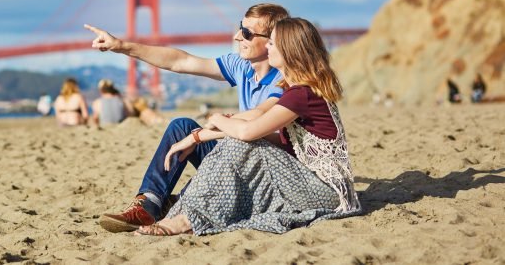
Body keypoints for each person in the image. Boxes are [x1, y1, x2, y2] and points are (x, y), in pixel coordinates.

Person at [136, 17, 362, 236]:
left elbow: (247, 130)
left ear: (289, 50)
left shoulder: (300, 94)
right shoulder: (299, 91)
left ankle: (185, 218)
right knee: (245, 142)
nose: (268, 47)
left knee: (240, 141)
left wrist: (215, 118)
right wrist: (199, 137)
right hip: (313, 185)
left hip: (324, 191)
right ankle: (181, 208)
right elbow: (272, 137)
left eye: (272, 43)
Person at [84, 3, 289, 232]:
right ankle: (149, 204)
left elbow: (256, 123)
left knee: (224, 142)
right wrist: (121, 46)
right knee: (181, 127)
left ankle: (179, 203)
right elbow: (180, 61)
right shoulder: (241, 66)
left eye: (247, 33)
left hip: (265, 172)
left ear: (273, 40)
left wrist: (201, 135)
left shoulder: (283, 78)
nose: (237, 36)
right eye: (241, 28)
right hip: (235, 155)